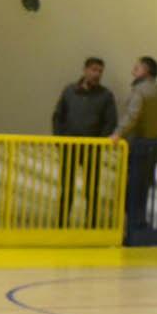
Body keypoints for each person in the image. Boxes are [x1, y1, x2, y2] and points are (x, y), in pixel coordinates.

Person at [51, 57, 117, 226]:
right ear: (85, 70)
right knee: (67, 188)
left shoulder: (106, 95)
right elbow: (58, 116)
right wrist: (60, 140)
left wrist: (100, 143)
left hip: (92, 148)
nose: (97, 74)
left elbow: (110, 122)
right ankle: (62, 224)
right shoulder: (69, 91)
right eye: (94, 70)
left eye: (100, 71)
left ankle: (92, 224)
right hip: (69, 146)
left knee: (92, 189)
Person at [112, 56, 157, 232]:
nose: (133, 70)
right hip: (155, 146)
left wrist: (117, 134)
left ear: (145, 70)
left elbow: (132, 116)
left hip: (137, 146)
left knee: (131, 188)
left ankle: (129, 227)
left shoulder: (139, 91)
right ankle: (139, 223)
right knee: (143, 187)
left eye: (136, 67)